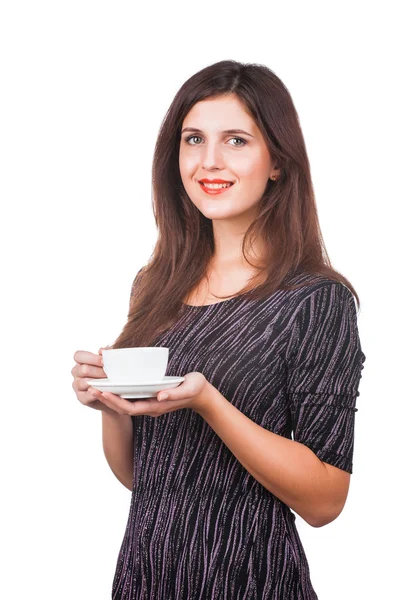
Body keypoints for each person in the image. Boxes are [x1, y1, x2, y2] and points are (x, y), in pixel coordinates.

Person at [71, 60, 366, 599]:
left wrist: (210, 402)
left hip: (249, 579)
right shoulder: (154, 286)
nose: (209, 160)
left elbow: (326, 501)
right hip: (145, 579)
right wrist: (112, 406)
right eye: (193, 139)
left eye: (235, 140)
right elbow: (144, 480)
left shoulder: (316, 301)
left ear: (277, 160)